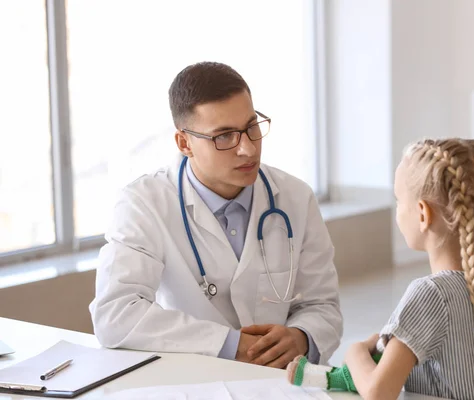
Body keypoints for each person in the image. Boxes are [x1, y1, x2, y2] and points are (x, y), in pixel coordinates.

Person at [89, 61, 343, 368]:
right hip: (195, 378)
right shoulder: (144, 203)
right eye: (224, 136)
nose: (248, 149)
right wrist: (228, 344)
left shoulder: (295, 197)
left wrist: (302, 337)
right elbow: (115, 314)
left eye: (252, 127)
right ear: (185, 143)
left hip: (281, 380)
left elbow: (322, 305)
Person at [288, 138, 474, 400]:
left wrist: (356, 353)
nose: (398, 209)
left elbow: (378, 392)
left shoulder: (430, 294)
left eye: (399, 201)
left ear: (422, 214)